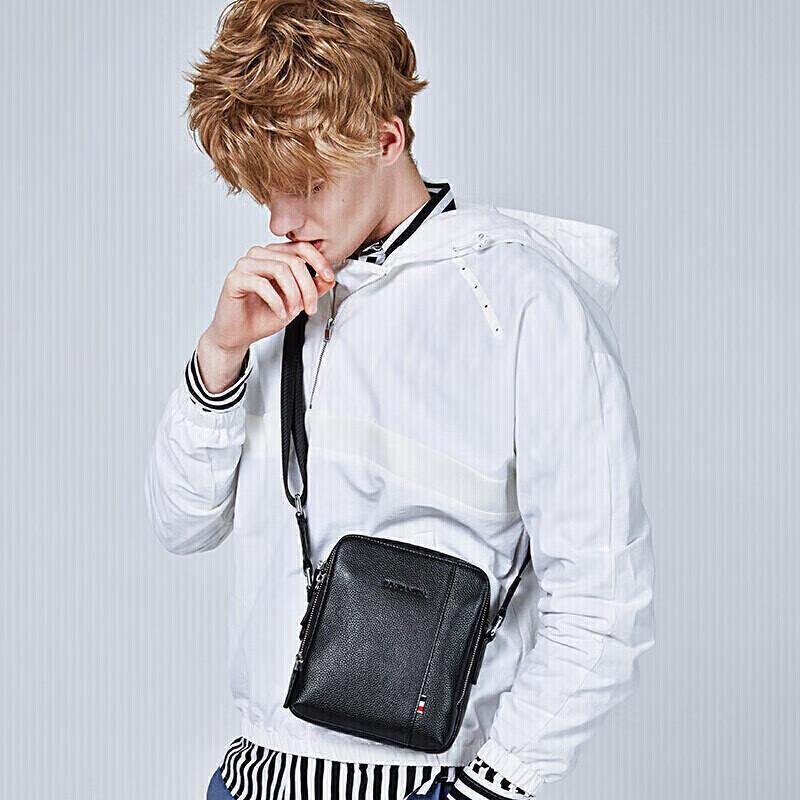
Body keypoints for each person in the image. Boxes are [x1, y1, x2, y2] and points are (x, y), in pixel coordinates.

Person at [143, 2, 656, 799]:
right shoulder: (281, 297)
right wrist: (220, 354)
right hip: (247, 777)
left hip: (421, 784)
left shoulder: (521, 301)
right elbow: (183, 524)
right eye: (265, 190)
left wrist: (489, 788)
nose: (281, 219)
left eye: (305, 184)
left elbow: (604, 599)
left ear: (387, 139)